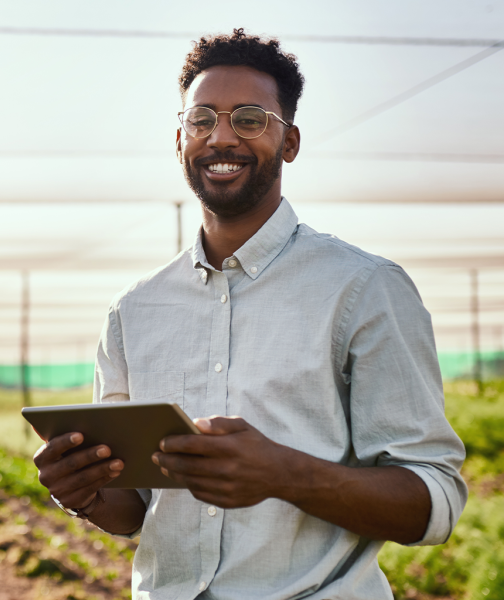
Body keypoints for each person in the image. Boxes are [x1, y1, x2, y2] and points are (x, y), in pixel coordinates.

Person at [32, 29, 467, 599]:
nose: (221, 137)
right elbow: (135, 511)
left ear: (289, 142)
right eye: (202, 119)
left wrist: (283, 474)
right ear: (180, 138)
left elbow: (432, 501)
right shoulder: (134, 311)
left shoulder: (363, 288)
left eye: (250, 119)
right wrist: (84, 491)